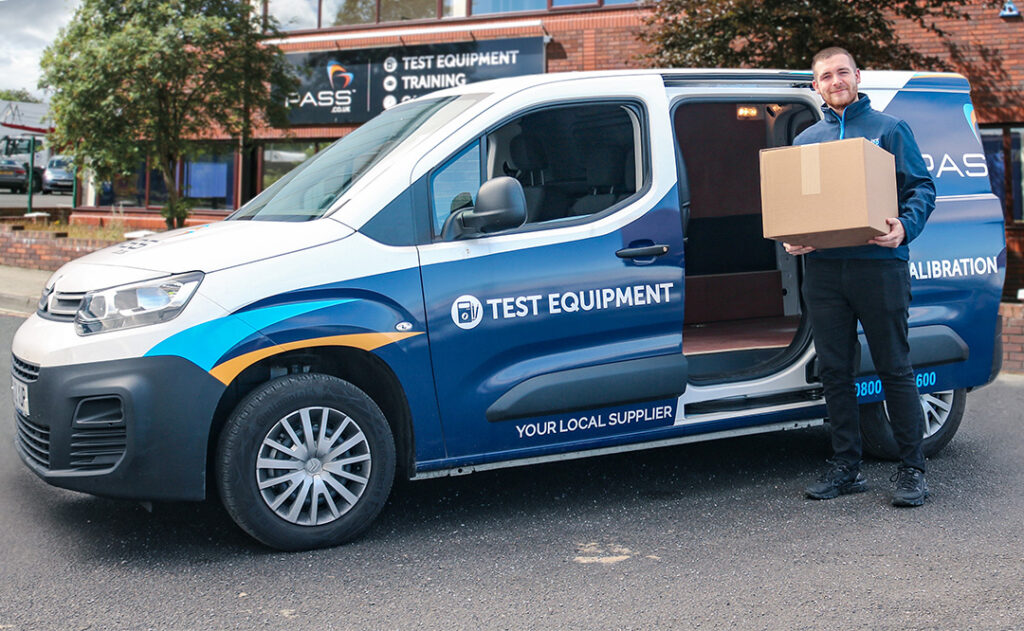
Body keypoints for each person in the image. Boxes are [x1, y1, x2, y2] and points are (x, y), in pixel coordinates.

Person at [785, 47, 936, 507]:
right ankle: (846, 467)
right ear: (816, 86)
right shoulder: (806, 142)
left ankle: (913, 470)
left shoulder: (889, 130)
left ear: (857, 76)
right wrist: (794, 238)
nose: (835, 81)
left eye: (842, 72)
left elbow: (922, 187)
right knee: (835, 371)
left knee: (894, 367)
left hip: (879, 267)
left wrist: (905, 225)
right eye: (826, 76)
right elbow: (797, 205)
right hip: (825, 271)